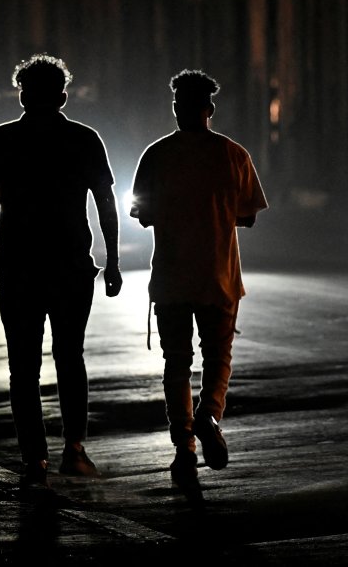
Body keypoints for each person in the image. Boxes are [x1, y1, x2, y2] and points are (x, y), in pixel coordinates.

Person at [0, 53, 123, 487]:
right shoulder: (84, 139)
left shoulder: (2, 138)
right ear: (63, 96)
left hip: (18, 264)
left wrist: (26, 194)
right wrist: (112, 260)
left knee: (22, 364)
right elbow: (106, 204)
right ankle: (73, 450)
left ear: (22, 95)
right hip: (72, 263)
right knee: (69, 356)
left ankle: (33, 458)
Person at [129, 69, 267, 493]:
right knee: (218, 358)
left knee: (176, 362)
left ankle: (184, 446)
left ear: (176, 108)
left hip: (171, 277)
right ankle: (209, 415)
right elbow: (247, 215)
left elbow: (144, 214)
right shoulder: (234, 155)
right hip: (220, 276)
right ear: (210, 109)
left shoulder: (156, 155)